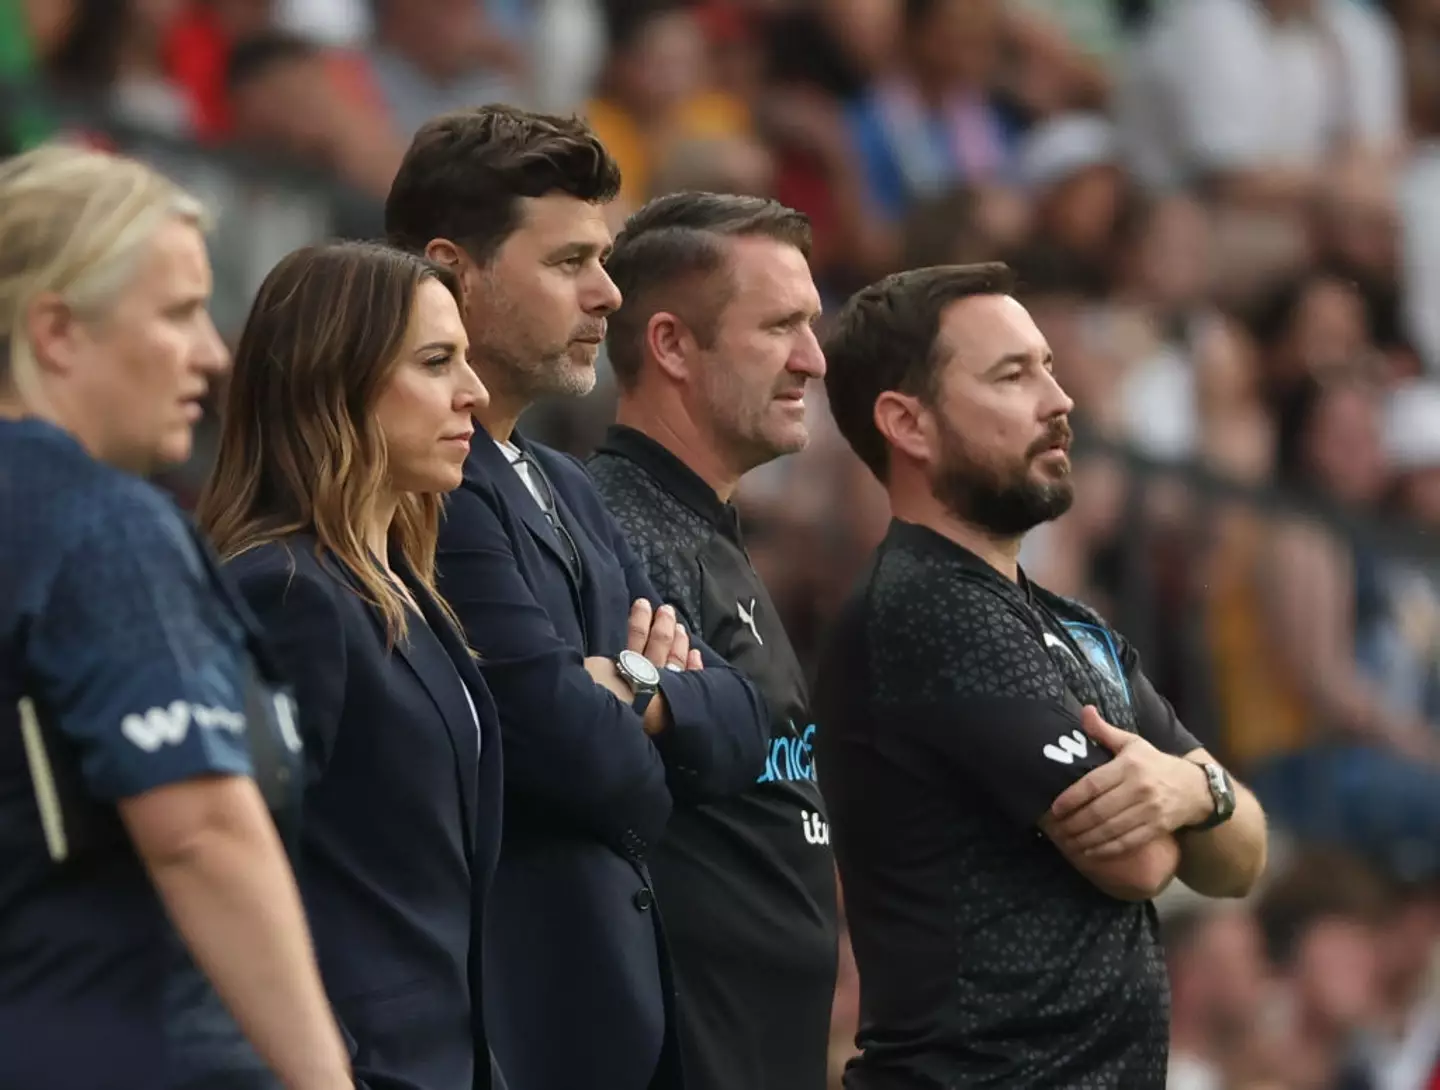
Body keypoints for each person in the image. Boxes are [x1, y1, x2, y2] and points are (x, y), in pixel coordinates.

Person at [384, 104, 770, 1090]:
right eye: (568, 263)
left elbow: (740, 726)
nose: (608, 295)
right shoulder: (433, 486)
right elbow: (577, 752)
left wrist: (630, 687)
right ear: (451, 268)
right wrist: (659, 703)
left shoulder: (565, 483)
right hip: (513, 1029)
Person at [814, 261, 1270, 1089]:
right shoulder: (929, 607)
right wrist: (1193, 790)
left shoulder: (1071, 625)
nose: (1059, 401)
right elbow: (1134, 865)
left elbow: (1241, 859)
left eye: (1050, 368)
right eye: (1012, 376)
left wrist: (1193, 792)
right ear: (907, 423)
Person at [0, 145, 350, 1090]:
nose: (215, 351)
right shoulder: (102, 529)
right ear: (57, 331)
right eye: (179, 311)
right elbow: (198, 828)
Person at [195, 242, 504, 1090]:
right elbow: (240, 879)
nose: (473, 392)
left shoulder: (404, 590)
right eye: (437, 362)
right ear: (335, 381)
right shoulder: (284, 593)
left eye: (467, 361)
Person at [588, 190, 838, 1090]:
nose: (813, 358)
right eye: (780, 327)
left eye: (811, 325)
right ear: (670, 346)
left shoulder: (709, 537)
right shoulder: (616, 528)